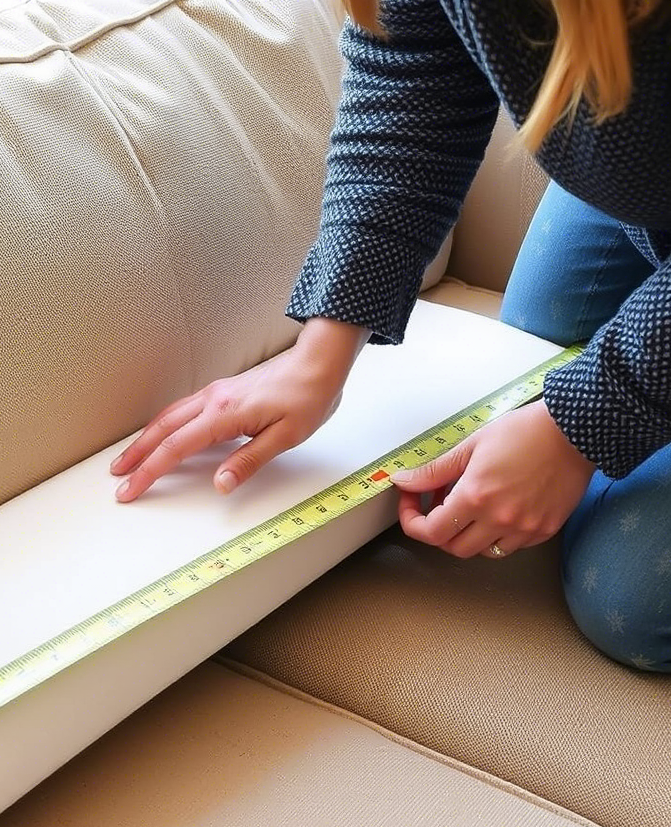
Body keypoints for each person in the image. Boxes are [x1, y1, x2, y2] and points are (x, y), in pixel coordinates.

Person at [109, 0, 671, 671]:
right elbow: (410, 68)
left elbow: (582, 421)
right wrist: (318, 356)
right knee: (530, 345)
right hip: (638, 150)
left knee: (631, 597)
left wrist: (583, 423)